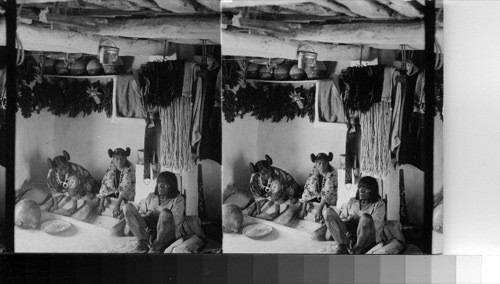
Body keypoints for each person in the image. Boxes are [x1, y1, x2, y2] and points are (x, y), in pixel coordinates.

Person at [313, 176, 385, 254]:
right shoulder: (352, 201)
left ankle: (357, 249)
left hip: (366, 238)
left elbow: (375, 226)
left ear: (372, 191)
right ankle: (341, 246)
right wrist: (347, 221)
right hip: (350, 234)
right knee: (328, 212)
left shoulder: (379, 204)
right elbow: (342, 218)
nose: (361, 190)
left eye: (366, 188)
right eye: (360, 187)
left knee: (365, 218)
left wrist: (356, 219)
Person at [123, 171, 185, 253]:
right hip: (149, 231)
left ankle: (156, 246)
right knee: (127, 207)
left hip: (166, 235)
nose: (161, 185)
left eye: (165, 183)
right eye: (159, 182)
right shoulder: (151, 196)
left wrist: (157, 214)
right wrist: (148, 216)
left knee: (165, 213)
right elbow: (141, 213)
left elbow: (176, 220)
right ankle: (141, 243)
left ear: (172, 186)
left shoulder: (178, 199)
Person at [248, 155, 302, 220]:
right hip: (269, 193)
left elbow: (277, 195)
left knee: (292, 202)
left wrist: (277, 212)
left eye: (268, 171)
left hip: (284, 189)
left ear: (270, 168)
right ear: (258, 173)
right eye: (263, 173)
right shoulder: (254, 179)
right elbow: (256, 194)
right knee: (261, 200)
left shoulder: (276, 175)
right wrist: (258, 209)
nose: (267, 174)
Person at [45, 150, 98, 216]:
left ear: (67, 163)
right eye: (61, 169)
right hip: (68, 185)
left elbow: (74, 190)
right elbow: (53, 189)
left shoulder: (74, 172)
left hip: (82, 182)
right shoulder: (51, 174)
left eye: (65, 167)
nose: (64, 170)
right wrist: (55, 205)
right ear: (55, 169)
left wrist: (74, 208)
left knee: (89, 196)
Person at [298, 152, 338, 222]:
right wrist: (303, 208)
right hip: (318, 195)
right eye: (319, 163)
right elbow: (308, 187)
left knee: (328, 213)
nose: (322, 166)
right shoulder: (315, 169)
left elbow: (327, 193)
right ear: (315, 164)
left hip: (329, 197)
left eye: (324, 163)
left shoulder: (332, 174)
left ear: (328, 163)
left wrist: (319, 210)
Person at [97, 148, 136, 218]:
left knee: (124, 211)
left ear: (125, 158)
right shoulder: (112, 166)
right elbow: (105, 183)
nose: (119, 161)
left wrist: (117, 205)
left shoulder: (129, 170)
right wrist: (101, 203)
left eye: (122, 159)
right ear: (113, 159)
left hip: (126, 195)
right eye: (117, 159)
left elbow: (125, 188)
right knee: (102, 206)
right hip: (115, 191)